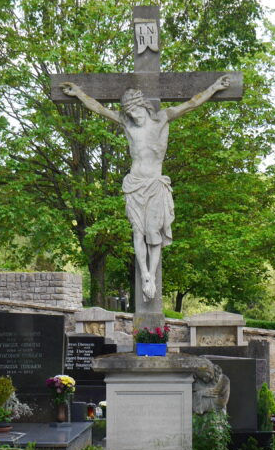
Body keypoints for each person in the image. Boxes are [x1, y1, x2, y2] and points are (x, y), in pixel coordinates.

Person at [60, 75, 230, 301]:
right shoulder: (127, 123)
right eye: (129, 114)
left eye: (136, 112)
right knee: (137, 232)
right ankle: (146, 275)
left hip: (155, 186)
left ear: (144, 107)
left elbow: (192, 103)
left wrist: (214, 87)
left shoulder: (162, 118)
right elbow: (99, 109)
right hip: (134, 186)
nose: (133, 117)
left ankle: (152, 271)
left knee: (153, 233)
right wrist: (80, 94)